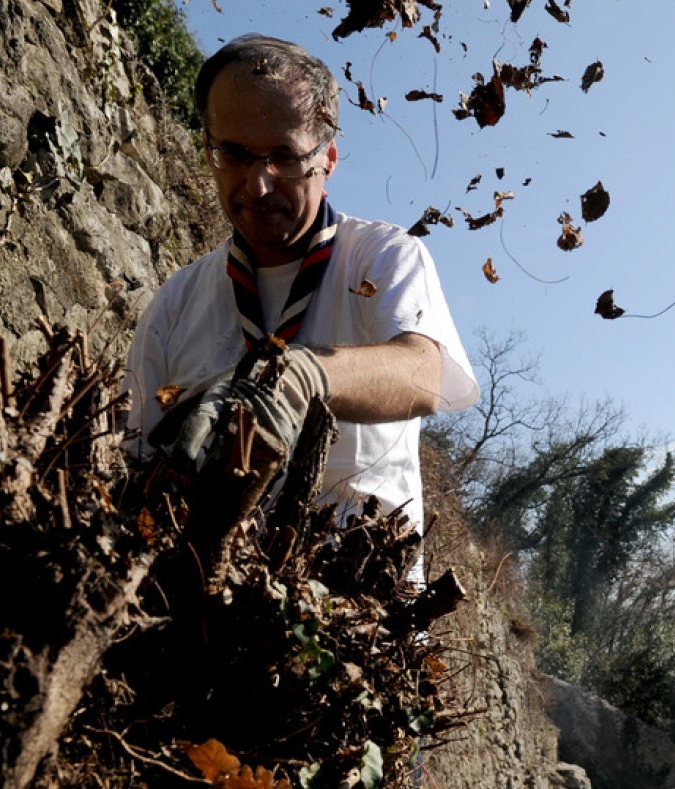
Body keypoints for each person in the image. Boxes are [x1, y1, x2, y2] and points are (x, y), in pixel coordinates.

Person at [122, 34, 478, 541]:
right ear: (207, 149)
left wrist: (303, 376)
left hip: (352, 581)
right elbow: (132, 458)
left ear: (327, 157)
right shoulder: (176, 303)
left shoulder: (383, 258)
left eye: (283, 157)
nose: (257, 184)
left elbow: (425, 373)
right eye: (234, 154)